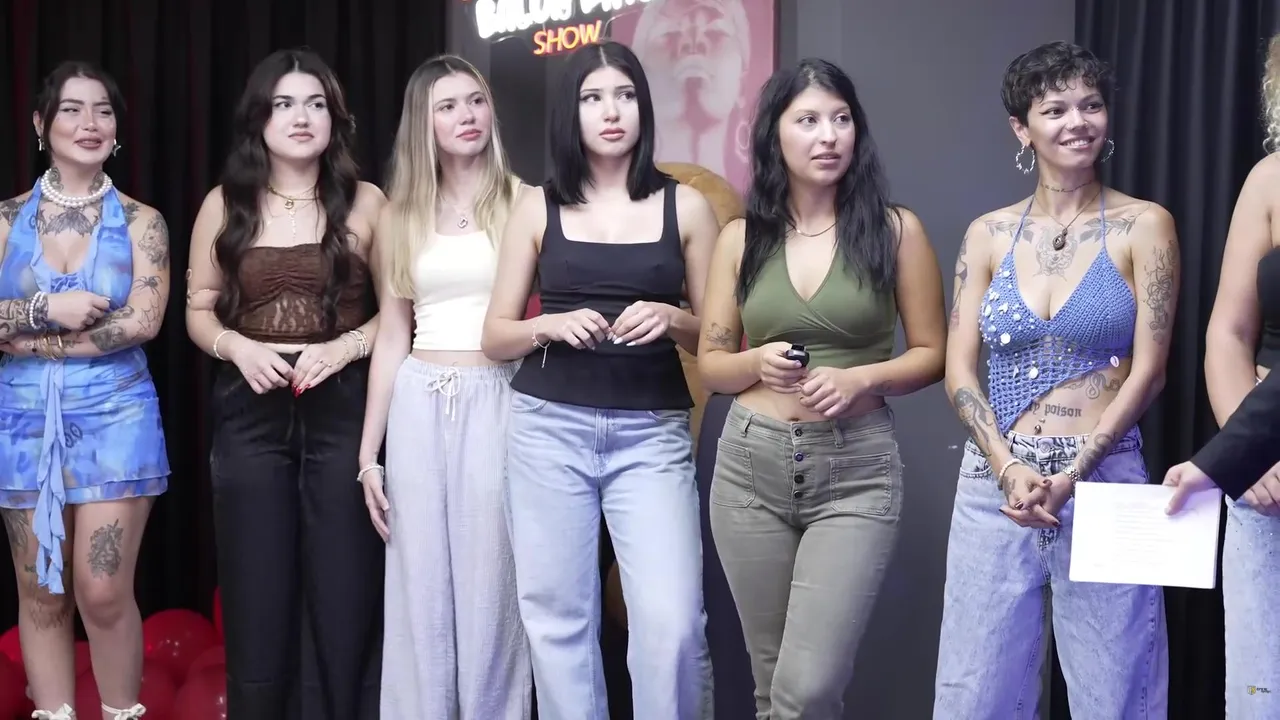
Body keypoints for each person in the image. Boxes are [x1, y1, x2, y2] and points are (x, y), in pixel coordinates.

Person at [933, 41, 1178, 718]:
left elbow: (1151, 370)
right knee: (974, 694)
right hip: (996, 481)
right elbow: (959, 368)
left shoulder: (1145, 225)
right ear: (1023, 128)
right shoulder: (987, 234)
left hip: (1104, 475)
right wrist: (1007, 465)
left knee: (1115, 694)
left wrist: (1075, 471)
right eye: (1056, 109)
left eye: (1091, 105)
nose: (1078, 122)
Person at [695, 57, 946, 719]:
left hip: (855, 468)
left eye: (841, 119)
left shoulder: (895, 231)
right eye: (807, 120)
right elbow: (713, 364)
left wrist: (862, 376)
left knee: (806, 690)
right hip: (748, 466)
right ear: (774, 134)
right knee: (770, 685)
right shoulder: (740, 239)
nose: (828, 135)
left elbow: (934, 355)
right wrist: (757, 362)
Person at [481, 40, 718, 720]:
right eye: (593, 98)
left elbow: (722, 341)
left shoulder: (687, 207)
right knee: (558, 623)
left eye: (624, 96)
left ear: (643, 108)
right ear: (572, 113)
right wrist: (549, 326)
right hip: (547, 429)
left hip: (652, 434)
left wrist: (673, 317)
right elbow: (495, 336)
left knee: (673, 625)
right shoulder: (538, 206)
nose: (611, 112)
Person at [184, 49, 386, 720]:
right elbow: (197, 308)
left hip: (345, 407)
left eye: (316, 104)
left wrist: (345, 348)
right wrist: (237, 346)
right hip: (251, 408)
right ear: (259, 119)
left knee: (346, 589)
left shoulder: (369, 202)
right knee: (256, 592)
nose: (302, 117)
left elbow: (399, 315)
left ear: (335, 118)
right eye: (285, 104)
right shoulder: (225, 203)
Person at [356, 54, 532, 719]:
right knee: (419, 584)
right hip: (418, 398)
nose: (467, 116)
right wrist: (368, 454)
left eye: (476, 101)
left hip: (499, 393)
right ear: (423, 123)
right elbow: (392, 335)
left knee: (493, 582)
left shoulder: (524, 202)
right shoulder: (399, 214)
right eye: (449, 106)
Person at [0, 60, 169, 720]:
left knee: (101, 590)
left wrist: (26, 337)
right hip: (21, 419)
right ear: (41, 124)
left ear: (117, 129)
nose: (89, 123)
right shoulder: (6, 219)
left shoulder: (143, 222)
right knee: (42, 592)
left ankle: (121, 711)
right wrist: (49, 309)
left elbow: (143, 321)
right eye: (71, 109)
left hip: (116, 414)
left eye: (103, 110)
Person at [1192, 31, 1280, 715]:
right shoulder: (1269, 179)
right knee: (1258, 686)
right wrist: (1246, 457)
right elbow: (1228, 331)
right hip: (1266, 467)